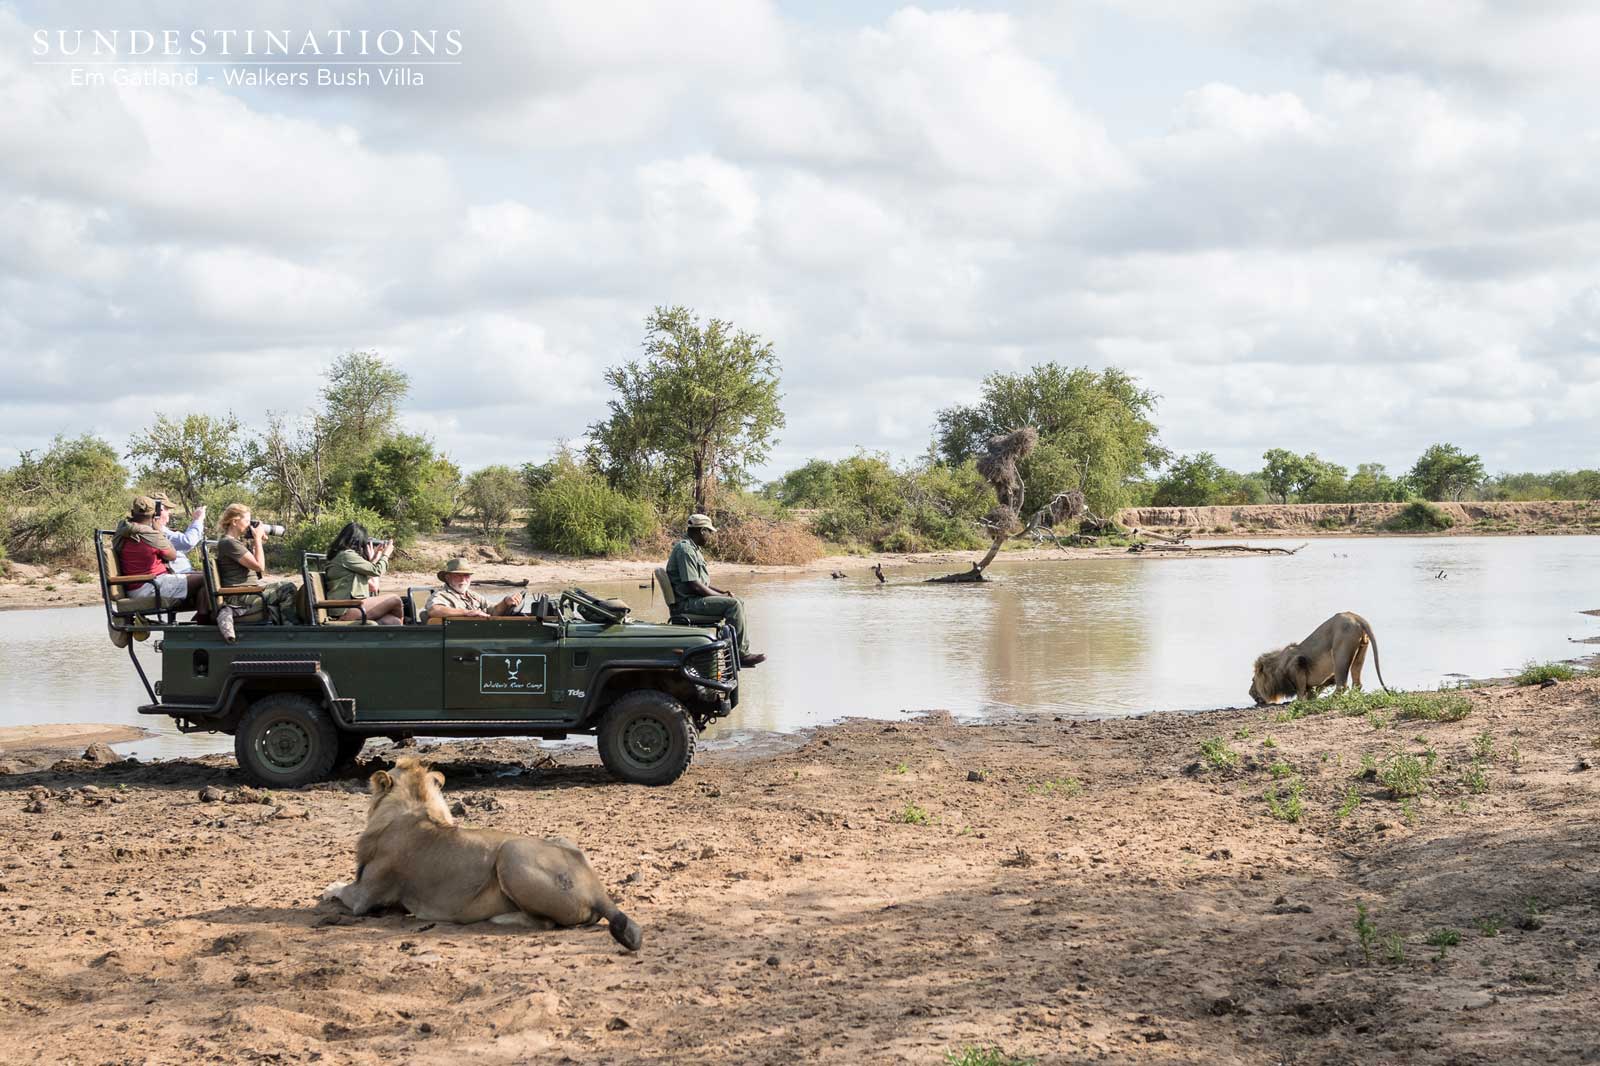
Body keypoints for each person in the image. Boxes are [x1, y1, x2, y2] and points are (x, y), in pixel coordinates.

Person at [665, 513, 765, 666]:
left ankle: (732, 651)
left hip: (693, 598)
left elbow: (700, 583)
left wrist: (722, 593)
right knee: (734, 605)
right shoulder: (685, 550)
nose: (710, 536)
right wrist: (725, 598)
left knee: (736, 601)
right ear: (702, 531)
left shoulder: (693, 548)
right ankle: (741, 654)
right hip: (687, 603)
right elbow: (695, 586)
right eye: (709, 532)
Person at [212, 503, 302, 640]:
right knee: (287, 589)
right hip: (240, 597)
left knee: (285, 586)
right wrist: (258, 540)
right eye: (247, 521)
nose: (249, 525)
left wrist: (256, 542)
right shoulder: (229, 543)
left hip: (248, 592)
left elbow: (257, 572)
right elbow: (259, 566)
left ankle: (283, 629)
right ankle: (290, 633)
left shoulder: (234, 543)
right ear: (235, 521)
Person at [112, 496, 210, 619]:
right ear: (154, 516)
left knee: (202, 577)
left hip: (143, 585)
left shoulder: (123, 531)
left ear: (132, 513)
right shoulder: (150, 534)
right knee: (208, 578)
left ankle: (199, 622)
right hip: (151, 585)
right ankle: (201, 624)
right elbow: (172, 556)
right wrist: (159, 531)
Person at [321, 522, 405, 625]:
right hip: (347, 608)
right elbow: (376, 570)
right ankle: (403, 633)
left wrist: (375, 556)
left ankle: (398, 632)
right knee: (395, 599)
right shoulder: (346, 555)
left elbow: (367, 572)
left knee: (393, 621)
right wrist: (386, 555)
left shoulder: (342, 556)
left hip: (351, 606)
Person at [422, 557, 520, 623]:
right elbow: (434, 610)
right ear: (448, 578)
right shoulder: (441, 595)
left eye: (466, 575)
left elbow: (493, 611)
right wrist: (467, 613)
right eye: (458, 575)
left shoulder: (473, 595)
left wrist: (505, 602)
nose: (463, 579)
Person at [150, 493, 204, 575]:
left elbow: (183, 545)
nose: (169, 513)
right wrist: (198, 520)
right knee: (209, 579)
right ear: (157, 511)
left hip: (180, 573)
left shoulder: (157, 529)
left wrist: (195, 521)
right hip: (176, 575)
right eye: (167, 509)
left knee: (208, 576)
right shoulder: (157, 530)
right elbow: (188, 542)